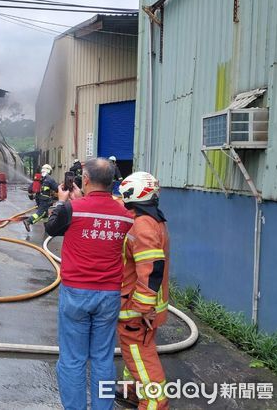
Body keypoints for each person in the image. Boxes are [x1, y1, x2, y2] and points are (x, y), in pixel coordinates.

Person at [44, 157, 134, 410]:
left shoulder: (73, 209)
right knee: (103, 358)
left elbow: (51, 228)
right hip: (110, 294)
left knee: (73, 359)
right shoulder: (126, 216)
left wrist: (62, 202)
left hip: (76, 294)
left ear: (85, 179)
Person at [115, 172, 170, 410]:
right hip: (140, 310)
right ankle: (133, 392)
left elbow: (151, 269)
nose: (122, 198)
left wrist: (142, 308)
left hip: (137, 313)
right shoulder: (151, 219)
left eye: (125, 194)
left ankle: (154, 402)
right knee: (134, 356)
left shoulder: (143, 225)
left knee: (142, 358)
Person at [23, 164, 58, 232]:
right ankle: (28, 221)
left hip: (38, 198)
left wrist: (31, 194)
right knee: (41, 213)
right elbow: (56, 188)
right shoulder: (49, 178)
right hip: (45, 199)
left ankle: (47, 229)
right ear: (49, 171)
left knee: (45, 214)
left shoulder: (38, 178)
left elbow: (30, 189)